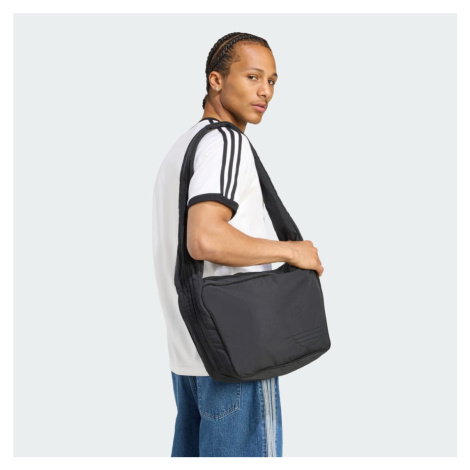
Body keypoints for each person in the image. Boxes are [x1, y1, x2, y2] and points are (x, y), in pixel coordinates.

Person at [152, 32, 324, 458]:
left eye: (272, 81)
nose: (265, 91)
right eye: (252, 77)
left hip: (191, 358)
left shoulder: (183, 147)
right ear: (216, 80)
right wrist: (292, 250)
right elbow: (204, 238)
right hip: (236, 356)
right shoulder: (227, 142)